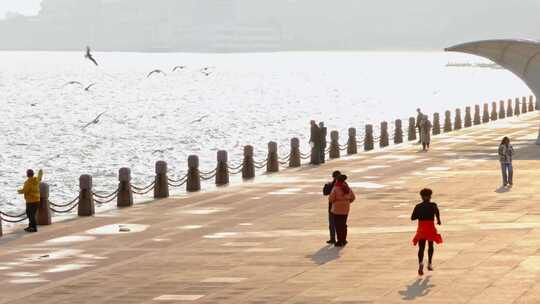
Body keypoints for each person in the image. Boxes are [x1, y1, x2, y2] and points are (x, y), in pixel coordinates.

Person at [411, 188, 442, 276]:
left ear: (421, 197)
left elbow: (413, 218)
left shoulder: (418, 206)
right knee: (430, 246)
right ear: (430, 196)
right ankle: (429, 264)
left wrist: (420, 214)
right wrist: (439, 220)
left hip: (421, 227)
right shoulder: (433, 205)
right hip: (430, 227)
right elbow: (437, 212)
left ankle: (421, 263)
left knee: (421, 247)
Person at [329, 174, 355, 247]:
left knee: (338, 225)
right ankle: (344, 239)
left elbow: (331, 198)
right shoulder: (347, 188)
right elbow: (353, 197)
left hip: (337, 209)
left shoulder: (335, 188)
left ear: (337, 180)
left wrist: (335, 202)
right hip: (346, 208)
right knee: (343, 224)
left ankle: (340, 241)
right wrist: (347, 202)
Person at [18, 169, 43, 233]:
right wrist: (40, 171)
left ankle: (33, 228)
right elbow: (40, 176)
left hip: (30, 201)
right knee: (31, 214)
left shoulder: (28, 182)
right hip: (37, 200)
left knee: (30, 214)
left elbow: (25, 190)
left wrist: (19, 191)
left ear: (27, 174)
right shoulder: (36, 180)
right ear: (33, 174)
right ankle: (31, 226)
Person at [323, 170, 341, 244]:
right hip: (340, 208)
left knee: (332, 224)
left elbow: (325, 193)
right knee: (340, 224)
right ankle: (340, 239)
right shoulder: (344, 185)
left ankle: (333, 239)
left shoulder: (332, 185)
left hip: (333, 207)